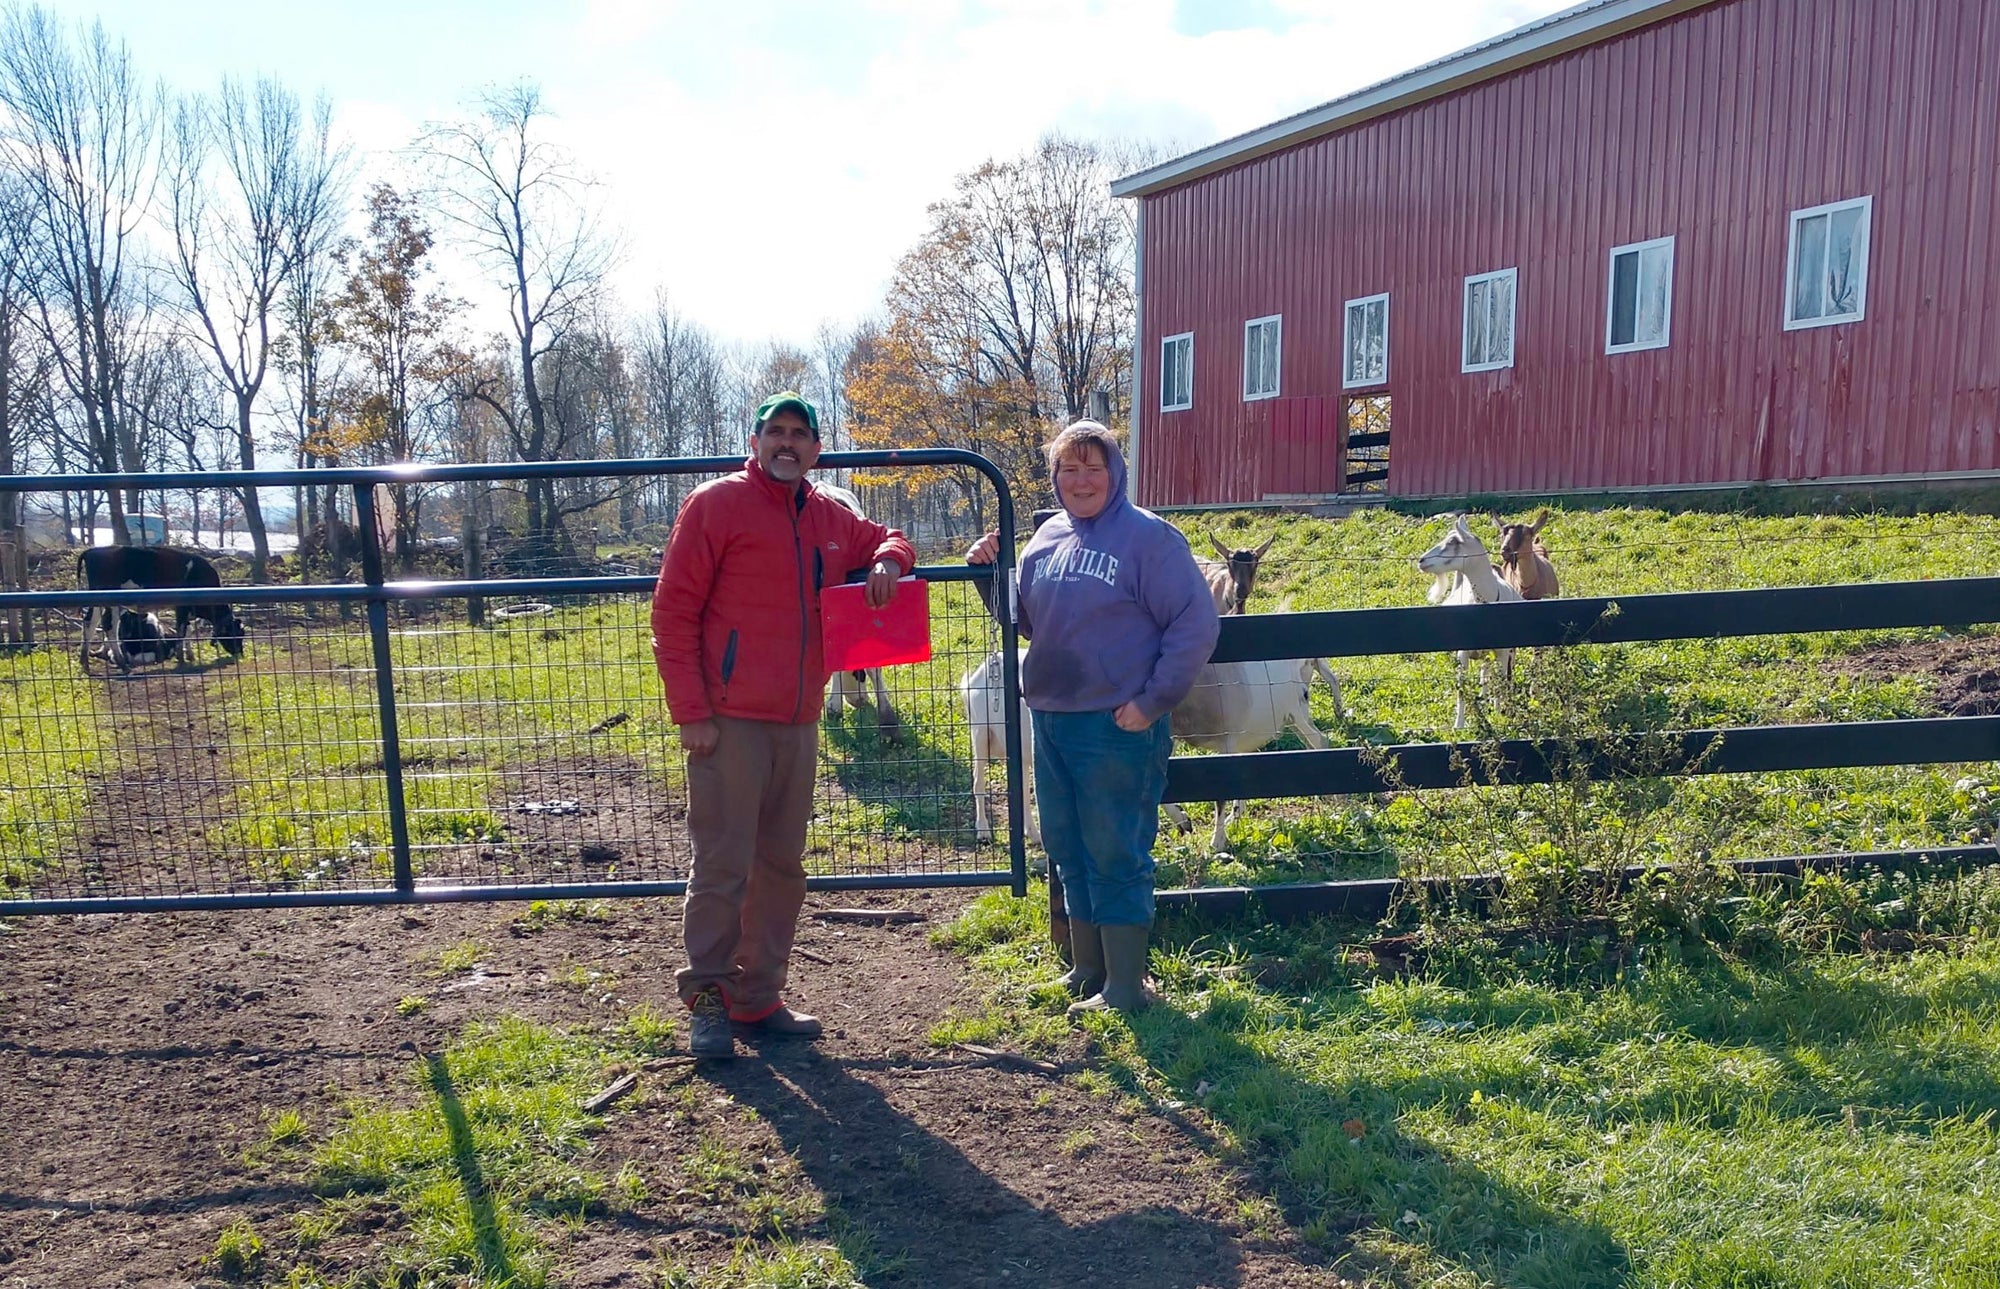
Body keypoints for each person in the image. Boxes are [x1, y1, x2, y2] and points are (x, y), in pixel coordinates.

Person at [652, 390, 915, 1058]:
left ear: (817, 449)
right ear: (756, 441)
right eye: (777, 432)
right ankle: (708, 997)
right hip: (729, 721)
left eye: (801, 433)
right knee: (721, 864)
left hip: (800, 721)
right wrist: (691, 712)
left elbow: (890, 536)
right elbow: (673, 612)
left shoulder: (829, 515)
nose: (788, 443)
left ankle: (757, 996)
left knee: (780, 867)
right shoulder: (715, 506)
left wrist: (887, 560)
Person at [966, 420, 1218, 1013]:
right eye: (1068, 469)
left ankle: (1126, 988)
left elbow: (1195, 624)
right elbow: (1027, 624)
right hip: (1051, 718)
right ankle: (1087, 971)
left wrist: (1152, 701)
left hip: (1116, 725)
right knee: (1066, 845)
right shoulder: (1047, 540)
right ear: (1054, 478)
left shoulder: (1149, 539)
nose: (1081, 480)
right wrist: (986, 573)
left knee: (1116, 850)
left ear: (1115, 472)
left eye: (1093, 467)